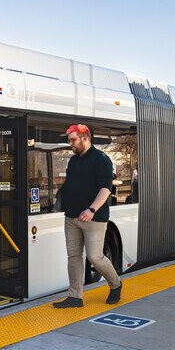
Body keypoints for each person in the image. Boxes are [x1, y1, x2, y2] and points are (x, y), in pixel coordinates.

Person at [53, 124, 122, 308]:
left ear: (85, 138)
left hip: (94, 218)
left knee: (95, 257)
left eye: (73, 140)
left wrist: (91, 209)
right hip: (72, 217)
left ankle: (116, 283)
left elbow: (106, 189)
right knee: (73, 256)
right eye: (69, 140)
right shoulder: (74, 161)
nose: (70, 144)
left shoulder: (101, 159)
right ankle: (75, 296)